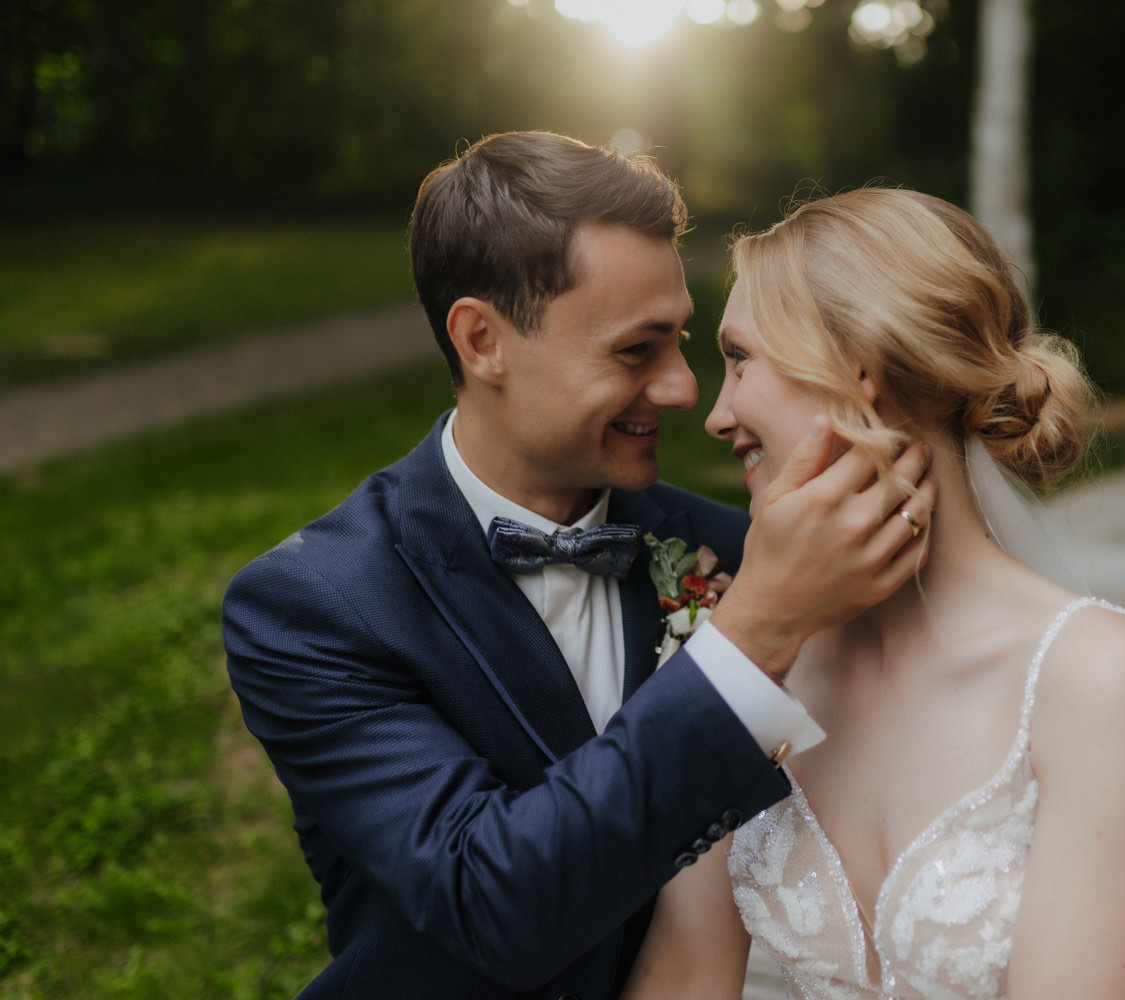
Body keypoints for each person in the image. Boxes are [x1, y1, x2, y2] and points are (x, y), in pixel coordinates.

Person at [221, 133, 937, 1000]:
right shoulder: (316, 605)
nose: (681, 390)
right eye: (636, 351)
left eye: (683, 342)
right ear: (482, 340)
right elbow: (493, 904)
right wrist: (754, 633)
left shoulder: (742, 550)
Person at [621, 188, 1125, 1000]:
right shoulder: (749, 659)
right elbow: (679, 979)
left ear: (857, 364)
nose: (717, 414)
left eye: (740, 358)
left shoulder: (1095, 677)